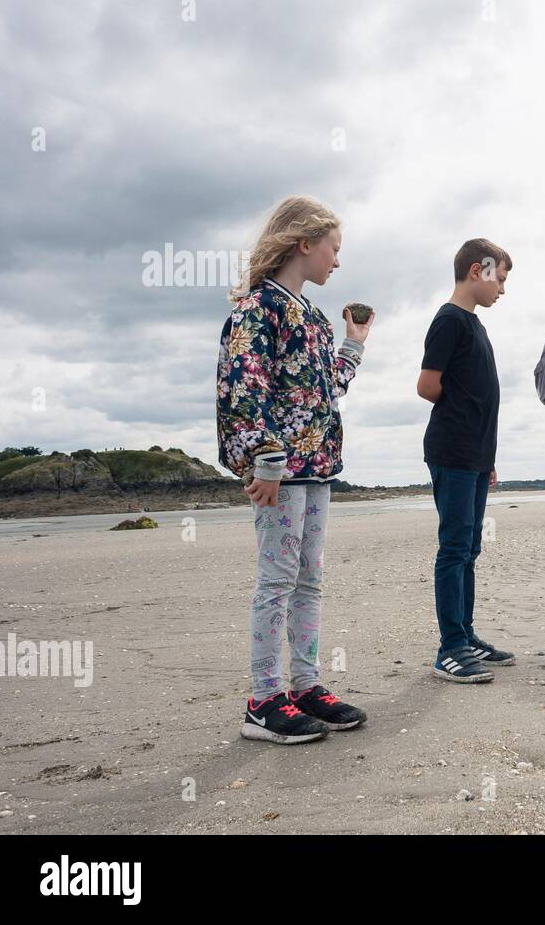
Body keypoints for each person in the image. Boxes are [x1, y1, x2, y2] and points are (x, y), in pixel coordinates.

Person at [216, 195, 372, 743]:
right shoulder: (258, 307)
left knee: (309, 580)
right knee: (277, 582)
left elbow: (324, 391)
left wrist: (352, 348)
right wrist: (266, 461)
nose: (337, 260)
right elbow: (244, 385)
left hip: (317, 468)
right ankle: (263, 700)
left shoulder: (312, 315)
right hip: (281, 472)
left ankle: (305, 686)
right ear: (304, 244)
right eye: (333, 249)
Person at [417, 239, 515, 682]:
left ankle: (466, 634)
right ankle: (449, 648)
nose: (503, 290)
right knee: (454, 549)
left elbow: (484, 397)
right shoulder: (449, 320)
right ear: (479, 271)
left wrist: (487, 458)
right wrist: (459, 420)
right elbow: (427, 386)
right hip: (451, 451)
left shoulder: (477, 325)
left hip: (475, 457)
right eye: (502, 279)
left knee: (470, 548)